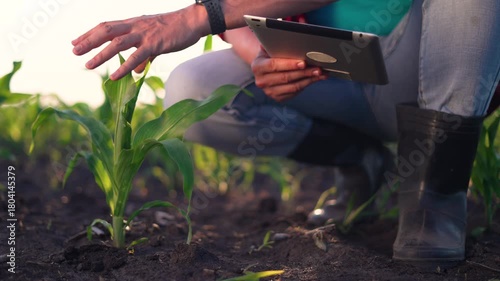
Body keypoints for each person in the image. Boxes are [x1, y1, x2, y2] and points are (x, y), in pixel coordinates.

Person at [72, 0, 500, 266]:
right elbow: (232, 15)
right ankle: (361, 160)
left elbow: (214, 9)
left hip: (423, 68)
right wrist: (260, 58)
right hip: (329, 71)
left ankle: (436, 197)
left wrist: (200, 15)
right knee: (193, 90)